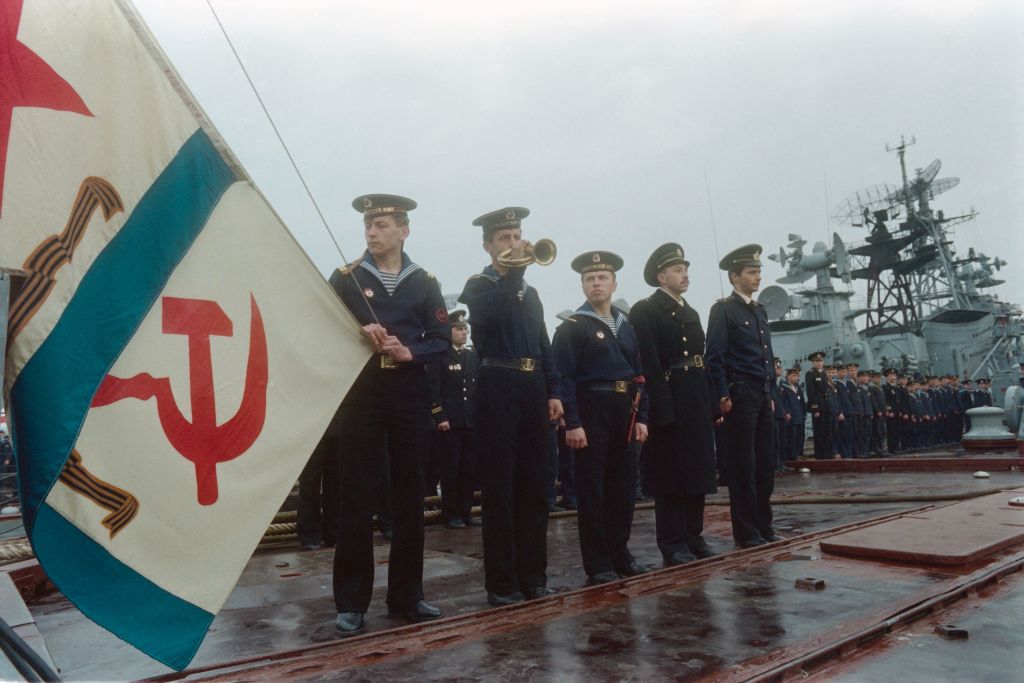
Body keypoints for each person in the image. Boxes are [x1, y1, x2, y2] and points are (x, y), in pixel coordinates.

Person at [329, 194, 449, 636]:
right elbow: (322, 326)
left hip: (409, 392)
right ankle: (351, 601)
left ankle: (407, 595)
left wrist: (409, 351)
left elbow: (442, 339)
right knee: (356, 494)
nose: (372, 232)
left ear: (404, 231)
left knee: (410, 494)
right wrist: (357, 330)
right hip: (363, 392)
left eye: (381, 225)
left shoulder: (425, 282)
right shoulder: (346, 277)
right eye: (368, 225)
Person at [458, 207, 563, 606]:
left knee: (535, 485)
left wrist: (554, 391)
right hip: (497, 383)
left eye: (517, 236)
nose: (514, 243)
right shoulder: (478, 285)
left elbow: (543, 343)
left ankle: (534, 576)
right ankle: (502, 583)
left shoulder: (531, 293)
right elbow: (492, 313)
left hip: (533, 386)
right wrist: (514, 272)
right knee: (500, 488)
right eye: (504, 238)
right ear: (488, 245)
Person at [553, 251, 650, 584]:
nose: (596, 283)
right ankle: (598, 563)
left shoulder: (627, 327)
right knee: (592, 489)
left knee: (623, 487)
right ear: (582, 285)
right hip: (591, 409)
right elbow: (564, 378)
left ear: (614, 283)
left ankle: (620, 553)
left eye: (602, 277)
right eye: (590, 278)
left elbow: (640, 375)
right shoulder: (573, 327)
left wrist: (642, 416)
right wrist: (573, 423)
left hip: (625, 410)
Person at [630, 243, 719, 564]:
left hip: (695, 396)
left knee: (698, 469)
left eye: (686, 269)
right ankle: (673, 542)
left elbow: (702, 360)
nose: (685, 275)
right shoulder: (646, 310)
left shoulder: (690, 312)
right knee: (670, 472)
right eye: (678, 270)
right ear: (661, 276)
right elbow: (649, 363)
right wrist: (661, 406)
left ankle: (694, 535)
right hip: (669, 395)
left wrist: (711, 403)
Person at [705, 244, 779, 549]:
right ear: (735, 276)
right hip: (740, 393)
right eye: (751, 272)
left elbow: (767, 355)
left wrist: (771, 391)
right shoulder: (723, 310)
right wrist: (722, 393)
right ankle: (747, 531)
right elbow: (715, 357)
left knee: (766, 464)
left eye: (759, 271)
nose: (758, 277)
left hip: (762, 393)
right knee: (743, 466)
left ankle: (764, 524)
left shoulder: (759, 310)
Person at [427, 310, 480, 529]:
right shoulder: (440, 356)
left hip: (470, 421)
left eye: (465, 329)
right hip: (450, 422)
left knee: (469, 468)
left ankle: (466, 511)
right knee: (451, 469)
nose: (464, 333)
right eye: (459, 329)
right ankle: (451, 513)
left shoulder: (472, 356)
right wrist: (439, 415)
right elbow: (433, 389)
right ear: (449, 332)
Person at [296, 431, 339, 550]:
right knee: (309, 483)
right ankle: (309, 535)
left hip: (337, 430)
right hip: (311, 431)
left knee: (336, 482)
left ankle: (333, 533)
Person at [805, 352, 833, 459]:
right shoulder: (810, 374)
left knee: (827, 430)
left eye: (821, 361)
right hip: (818, 407)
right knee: (819, 431)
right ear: (813, 362)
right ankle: (820, 454)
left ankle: (827, 452)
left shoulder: (824, 373)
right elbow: (811, 392)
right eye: (817, 361)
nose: (819, 363)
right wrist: (815, 408)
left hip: (826, 405)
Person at [781, 366, 807, 461]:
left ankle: (798, 454)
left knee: (800, 436)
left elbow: (802, 402)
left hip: (799, 416)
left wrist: (804, 413)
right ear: (788, 376)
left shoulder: (798, 388)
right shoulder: (783, 388)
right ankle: (792, 456)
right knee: (792, 437)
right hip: (791, 417)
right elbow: (783, 402)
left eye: (797, 376)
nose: (796, 378)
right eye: (793, 376)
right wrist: (787, 412)